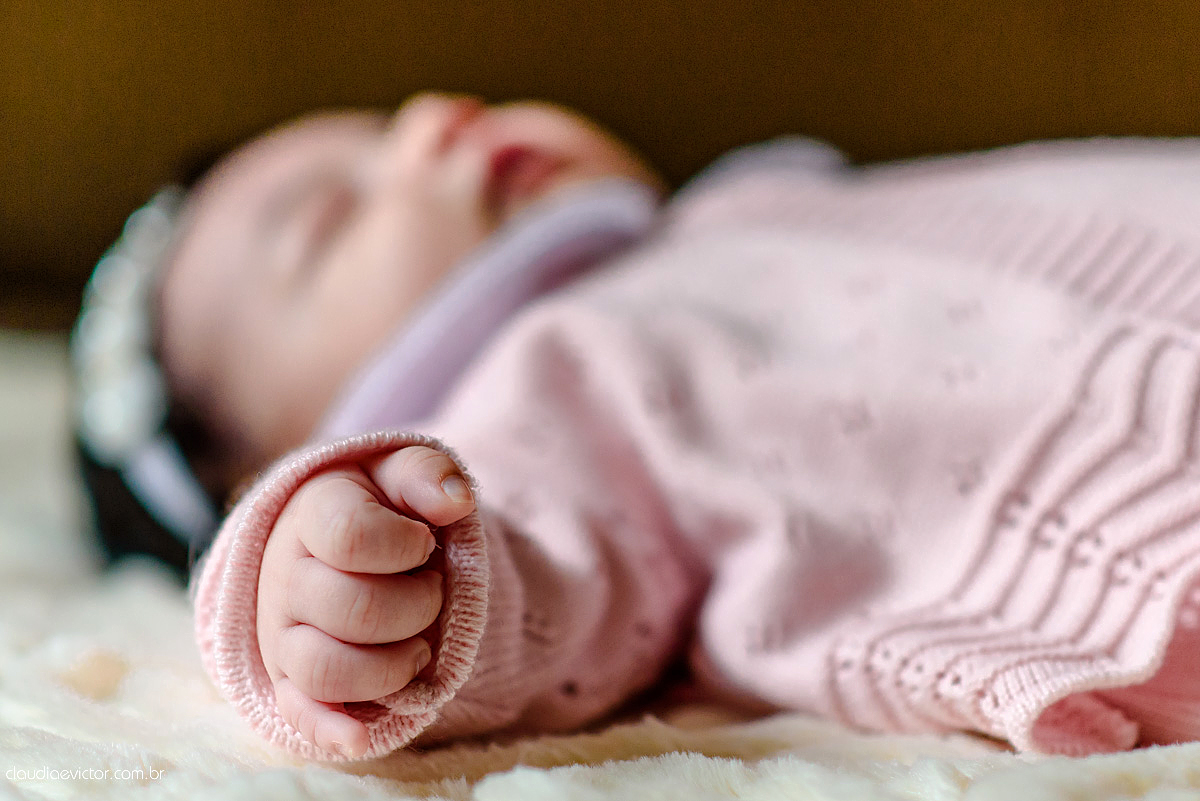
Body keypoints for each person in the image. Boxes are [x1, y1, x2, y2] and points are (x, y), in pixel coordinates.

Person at [73, 92, 1200, 762]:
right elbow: (529, 576)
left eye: (382, 126)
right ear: (293, 450)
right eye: (331, 218)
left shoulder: (740, 208)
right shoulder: (537, 395)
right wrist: (364, 568)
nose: (430, 120)